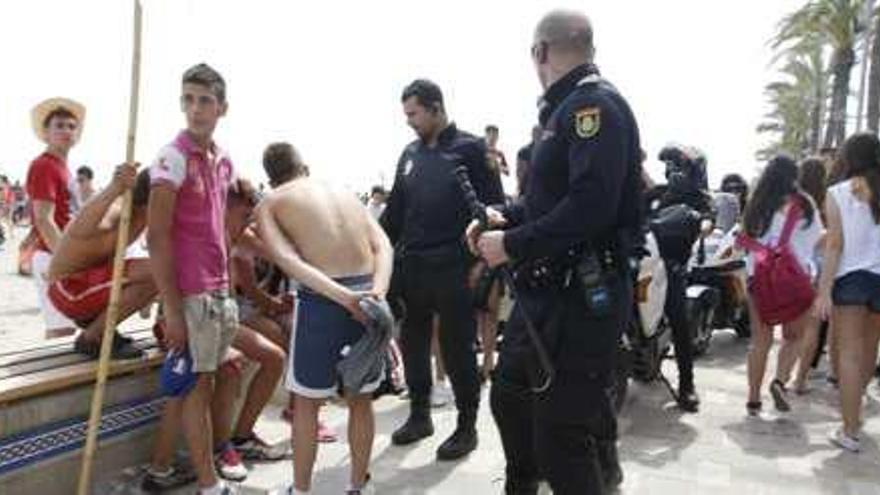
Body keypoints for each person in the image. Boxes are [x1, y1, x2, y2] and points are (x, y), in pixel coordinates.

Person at [470, 10, 641, 493]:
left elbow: (591, 205)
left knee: (561, 436)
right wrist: (506, 221)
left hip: (583, 295)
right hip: (548, 292)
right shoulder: (565, 111)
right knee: (508, 396)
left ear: (540, 52)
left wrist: (512, 244)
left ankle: (596, 474)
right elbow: (553, 201)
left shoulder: (593, 108)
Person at [257, 141, 393, 494]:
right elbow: (383, 245)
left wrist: (343, 297)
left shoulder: (272, 201)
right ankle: (357, 488)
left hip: (323, 299)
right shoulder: (344, 193)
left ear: (272, 179)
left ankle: (301, 490)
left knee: (307, 404)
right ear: (304, 167)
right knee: (361, 399)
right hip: (369, 295)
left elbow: (289, 262)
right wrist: (376, 292)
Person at [381, 79, 504, 460]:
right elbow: (394, 216)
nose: (409, 122)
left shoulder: (471, 149)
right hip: (413, 268)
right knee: (413, 344)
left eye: (414, 114)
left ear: (436, 108)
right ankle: (420, 415)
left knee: (456, 350)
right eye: (406, 115)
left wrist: (482, 266)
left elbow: (495, 210)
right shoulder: (409, 154)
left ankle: (466, 426)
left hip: (456, 268)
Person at [147, 63, 238, 495]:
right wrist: (171, 307)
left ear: (222, 107)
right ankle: (208, 482)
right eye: (188, 99)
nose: (195, 109)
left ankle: (160, 469)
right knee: (198, 385)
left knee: (191, 385)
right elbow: (156, 236)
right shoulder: (172, 156)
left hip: (219, 290)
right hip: (191, 294)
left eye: (204, 100)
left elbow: (221, 226)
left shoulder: (223, 160)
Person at [740, 155, 823, 416]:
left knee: (760, 341)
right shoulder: (805, 204)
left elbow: (744, 240)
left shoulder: (757, 203)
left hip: (759, 279)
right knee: (794, 337)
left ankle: (753, 399)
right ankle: (779, 381)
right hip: (796, 281)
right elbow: (815, 241)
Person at [816, 133, 880, 453]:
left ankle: (850, 429)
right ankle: (857, 412)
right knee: (870, 350)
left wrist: (824, 290)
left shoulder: (838, 193)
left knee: (849, 355)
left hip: (851, 278)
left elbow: (835, 244)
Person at [46, 165, 149, 359]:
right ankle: (93, 337)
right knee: (160, 271)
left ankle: (100, 330)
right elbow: (82, 225)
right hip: (69, 289)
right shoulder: (119, 211)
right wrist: (114, 187)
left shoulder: (141, 216)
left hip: (89, 291)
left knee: (164, 269)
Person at [26, 97, 84, 339]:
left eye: (71, 126)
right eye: (59, 125)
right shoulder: (44, 165)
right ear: (46, 133)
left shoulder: (62, 167)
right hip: (53, 256)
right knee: (61, 329)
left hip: (58, 253)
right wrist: (66, 261)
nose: (66, 131)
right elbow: (44, 219)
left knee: (66, 327)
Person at [792, 157, 829, 394]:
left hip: (792, 265)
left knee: (792, 328)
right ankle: (800, 379)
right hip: (819, 266)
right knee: (813, 326)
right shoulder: (828, 200)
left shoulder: (792, 199)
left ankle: (781, 375)